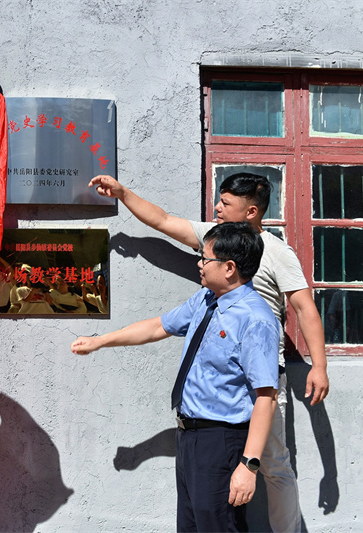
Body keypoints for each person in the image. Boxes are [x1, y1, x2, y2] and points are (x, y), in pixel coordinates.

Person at [89, 172, 329, 532]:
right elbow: (164, 221)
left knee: (273, 466)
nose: (217, 208)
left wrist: (318, 365)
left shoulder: (275, 255)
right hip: (210, 403)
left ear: (250, 212)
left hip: (258, 375)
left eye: (225, 204)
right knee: (200, 514)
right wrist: (123, 193)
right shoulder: (210, 269)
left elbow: (304, 308)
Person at [72, 222, 279, 532]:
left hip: (222, 441)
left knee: (218, 526)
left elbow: (266, 397)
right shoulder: (206, 300)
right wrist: (100, 341)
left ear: (230, 268)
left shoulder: (254, 319)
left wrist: (249, 465)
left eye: (205, 259)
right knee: (192, 526)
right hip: (189, 437)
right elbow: (158, 326)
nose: (199, 264)